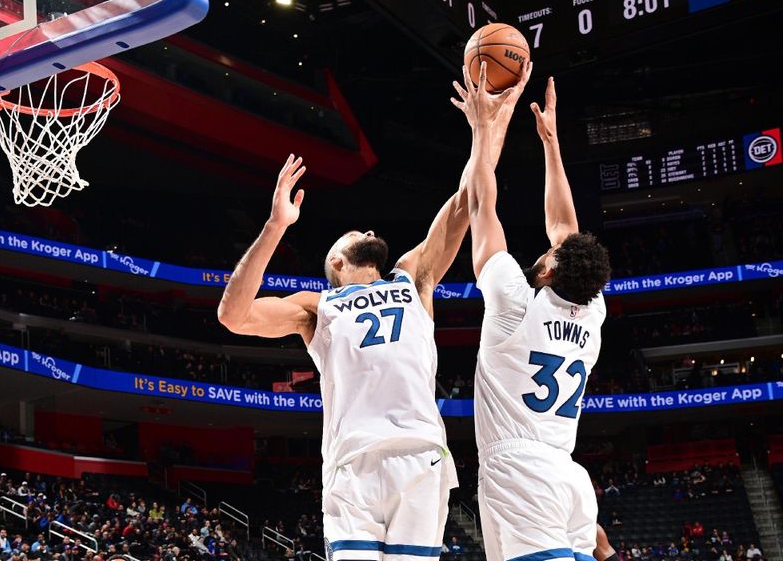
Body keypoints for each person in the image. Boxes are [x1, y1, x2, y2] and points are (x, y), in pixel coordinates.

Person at [219, 153, 471, 559]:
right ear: (336, 261)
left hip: (422, 454)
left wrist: (486, 128)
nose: (369, 230)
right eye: (356, 233)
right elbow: (233, 315)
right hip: (354, 461)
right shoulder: (318, 306)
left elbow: (464, 203)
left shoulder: (412, 278)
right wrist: (275, 226)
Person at [452, 60, 610, 561]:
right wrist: (550, 142)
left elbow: (481, 203)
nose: (545, 248)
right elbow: (565, 230)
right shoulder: (591, 309)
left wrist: (483, 129)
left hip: (522, 472)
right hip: (565, 472)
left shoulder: (514, 305)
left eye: (547, 254)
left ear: (545, 273)